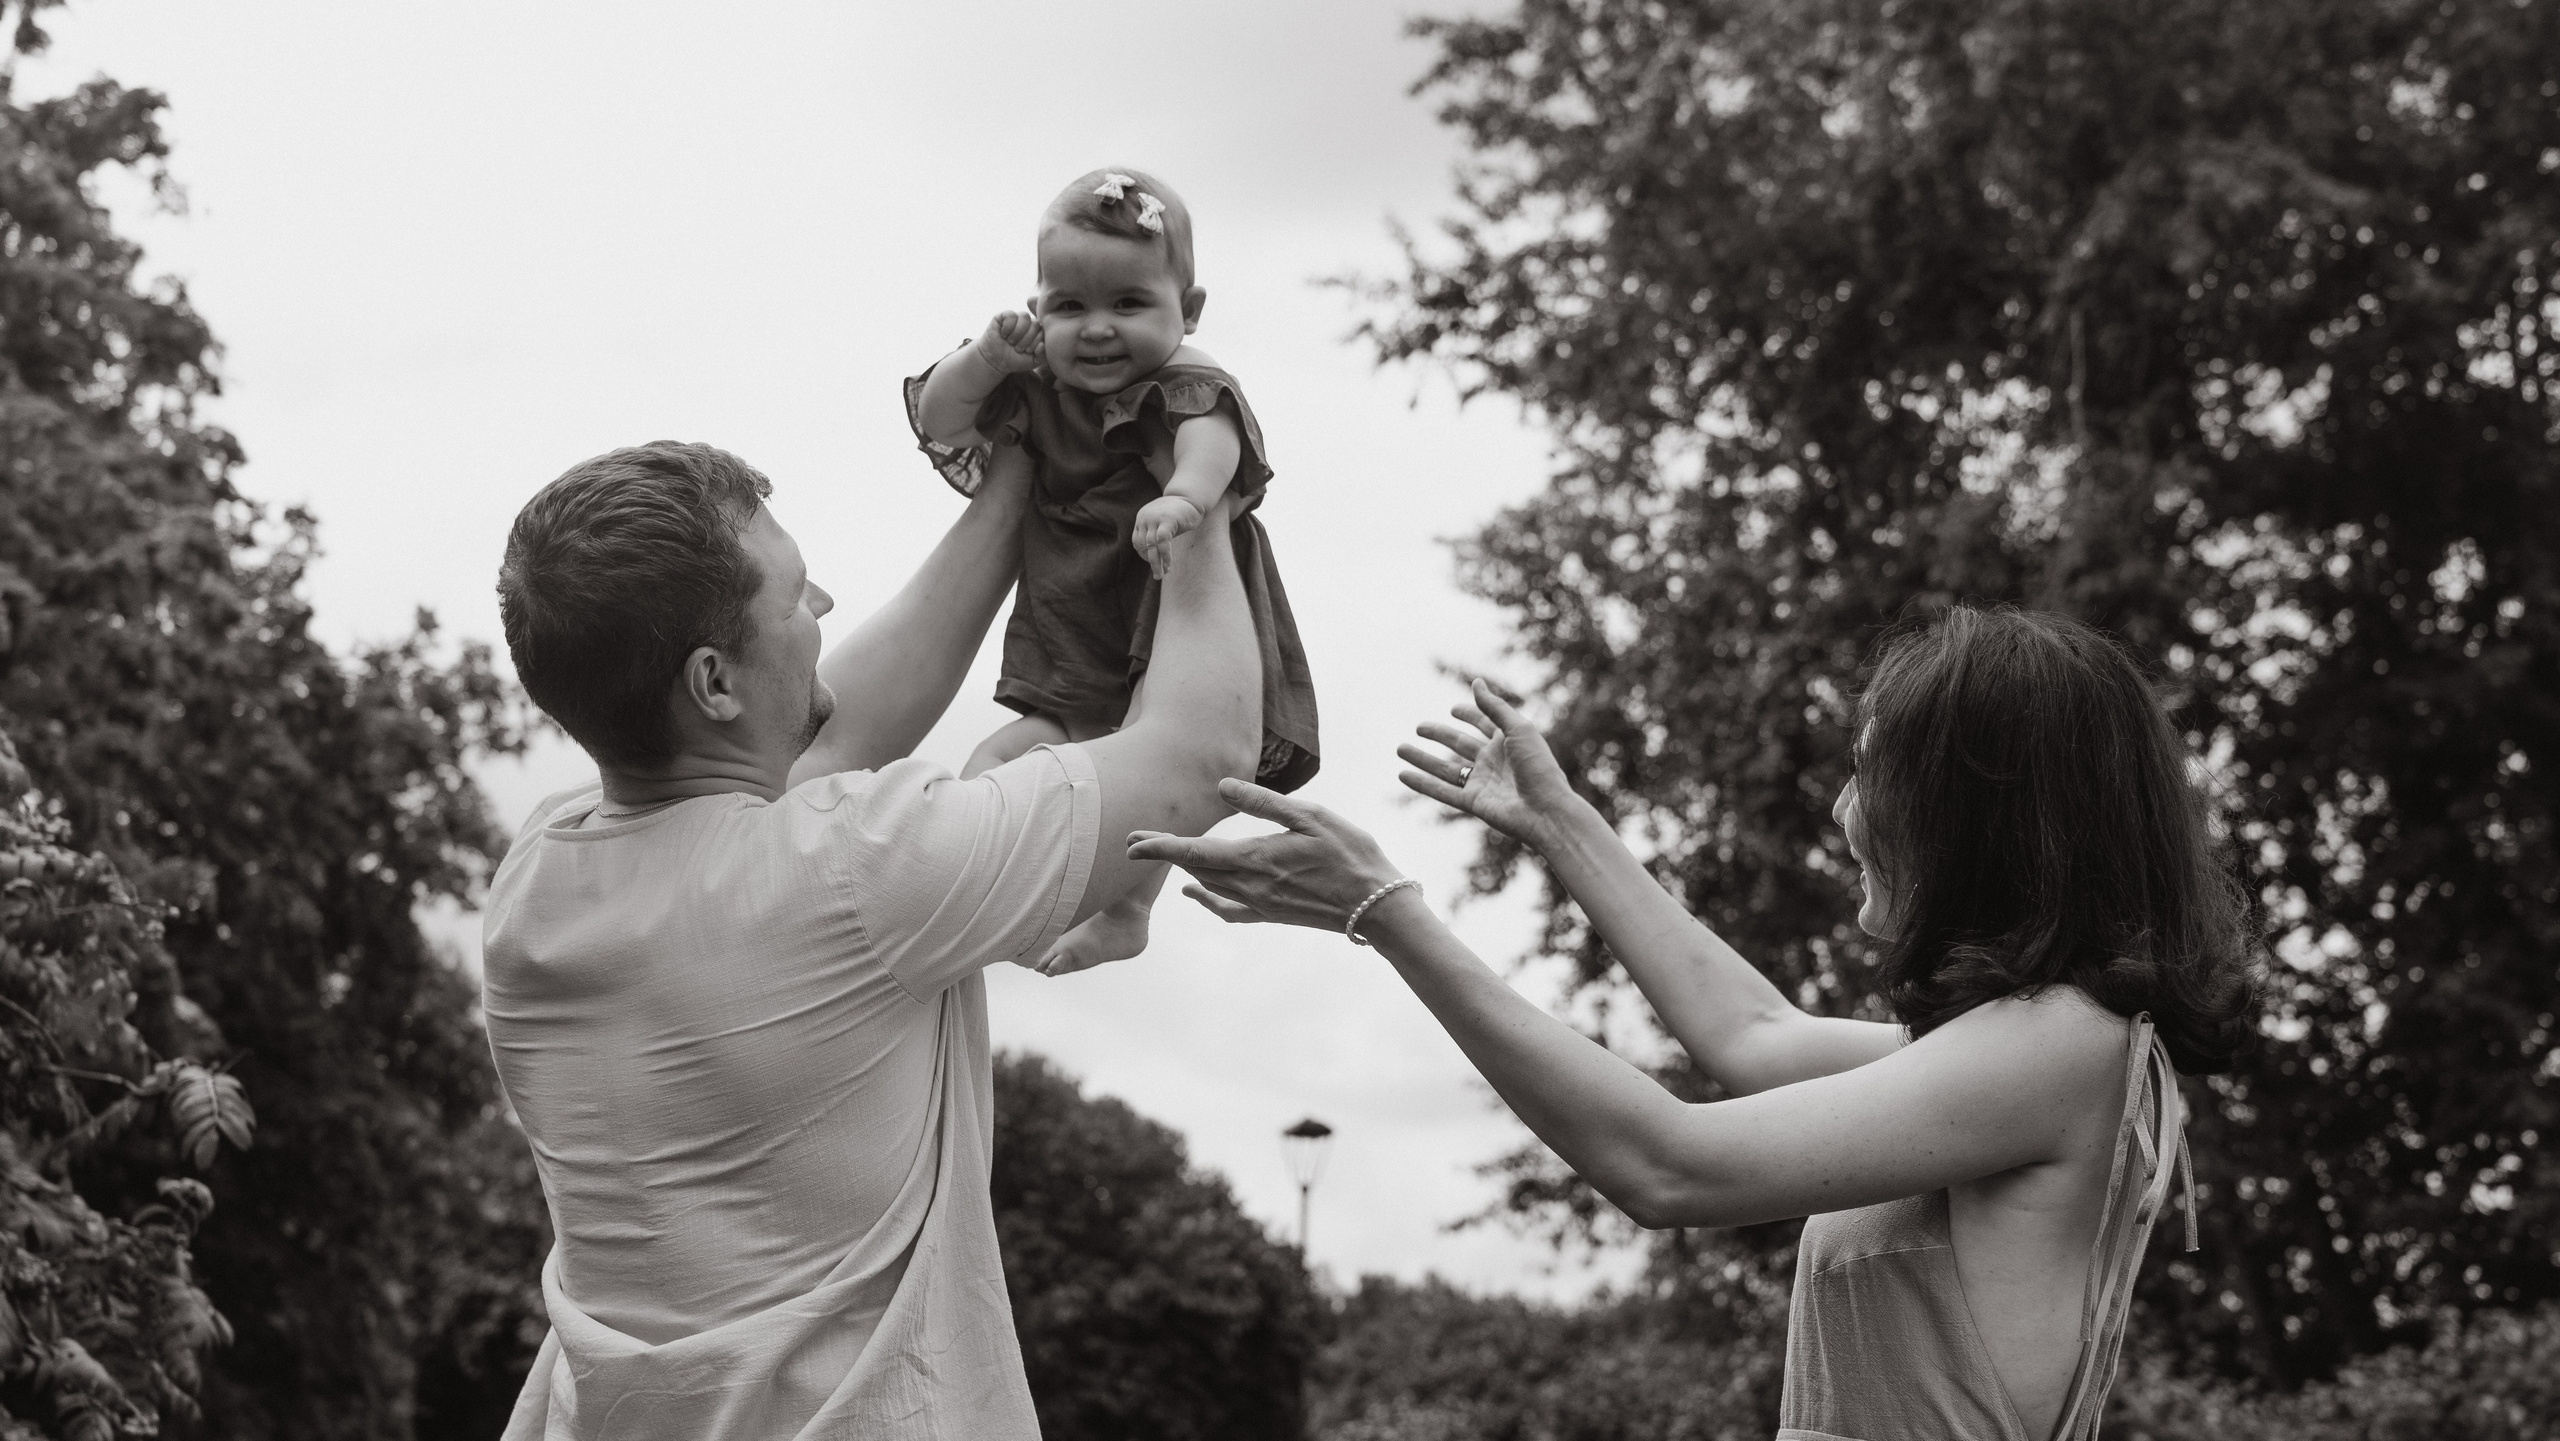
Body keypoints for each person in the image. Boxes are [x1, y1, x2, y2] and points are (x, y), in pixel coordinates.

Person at [1134, 606, 2257, 1441]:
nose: (1841, 809)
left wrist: (1386, 913)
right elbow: (1751, 1037)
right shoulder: (2045, 1049)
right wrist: (1560, 823)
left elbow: (1665, 1165)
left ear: (1975, 814)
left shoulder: (2058, 1044)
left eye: (1871, 776)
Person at [482, 439, 1260, 1439]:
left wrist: (1021, 481)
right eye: (796, 595)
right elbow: (1203, 754)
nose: (825, 610)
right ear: (715, 682)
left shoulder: (538, 879)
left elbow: (826, 739)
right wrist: (1204, 482)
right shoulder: (857, 869)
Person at [906, 165, 1320, 976]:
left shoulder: (1185, 383)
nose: (1096, 328)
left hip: (1161, 612)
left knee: (1146, 756)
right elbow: (939, 417)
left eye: (1128, 304)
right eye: (1069, 306)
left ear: (1187, 311)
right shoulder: (1035, 386)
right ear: (1036, 309)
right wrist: (985, 359)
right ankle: (973, 882)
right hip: (1073, 625)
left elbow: (1214, 446)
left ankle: (1129, 907)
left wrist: (1185, 501)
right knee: (993, 764)